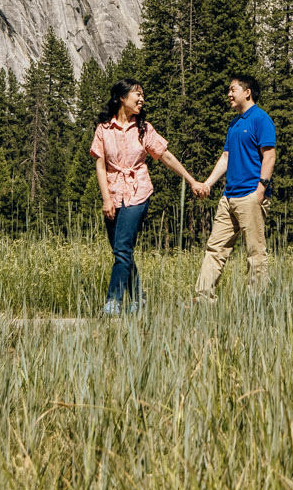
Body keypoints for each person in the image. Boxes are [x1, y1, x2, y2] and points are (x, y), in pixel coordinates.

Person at [89, 78, 203, 315]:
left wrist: (191, 180)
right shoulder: (103, 129)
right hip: (113, 192)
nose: (141, 99)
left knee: (122, 249)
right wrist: (106, 199)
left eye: (142, 95)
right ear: (122, 98)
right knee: (122, 251)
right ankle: (139, 299)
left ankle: (113, 302)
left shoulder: (144, 128)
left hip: (138, 193)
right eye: (136, 95)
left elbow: (165, 156)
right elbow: (100, 166)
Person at [192, 73, 276, 302]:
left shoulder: (261, 119)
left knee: (255, 253)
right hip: (228, 197)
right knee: (215, 249)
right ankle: (203, 300)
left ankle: (255, 305)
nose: (229, 94)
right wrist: (208, 184)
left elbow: (269, 156)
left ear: (247, 92)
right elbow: (226, 158)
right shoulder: (234, 124)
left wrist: (261, 190)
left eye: (233, 89)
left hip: (251, 195)